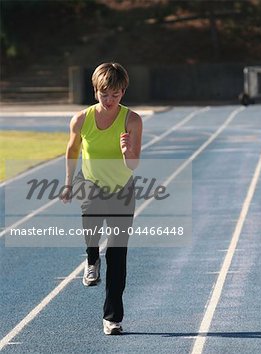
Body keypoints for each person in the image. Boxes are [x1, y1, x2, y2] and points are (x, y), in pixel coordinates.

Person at [60, 62, 143, 335]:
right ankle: (91, 258)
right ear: (95, 91)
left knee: (118, 258)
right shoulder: (81, 119)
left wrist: (127, 150)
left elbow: (133, 166)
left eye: (116, 95)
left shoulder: (132, 120)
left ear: (123, 92)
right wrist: (69, 183)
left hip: (122, 191)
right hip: (91, 185)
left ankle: (112, 318)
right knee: (91, 225)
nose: (110, 100)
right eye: (104, 94)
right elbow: (72, 152)